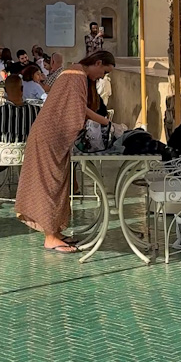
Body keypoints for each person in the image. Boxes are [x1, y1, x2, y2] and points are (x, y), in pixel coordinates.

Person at [15, 51, 117, 253]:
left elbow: (78, 108)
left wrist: (107, 123)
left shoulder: (74, 72)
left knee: (58, 183)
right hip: (49, 136)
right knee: (50, 185)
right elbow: (76, 110)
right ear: (97, 63)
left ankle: (55, 232)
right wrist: (108, 123)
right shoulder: (75, 75)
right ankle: (50, 237)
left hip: (51, 135)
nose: (102, 77)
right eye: (104, 72)